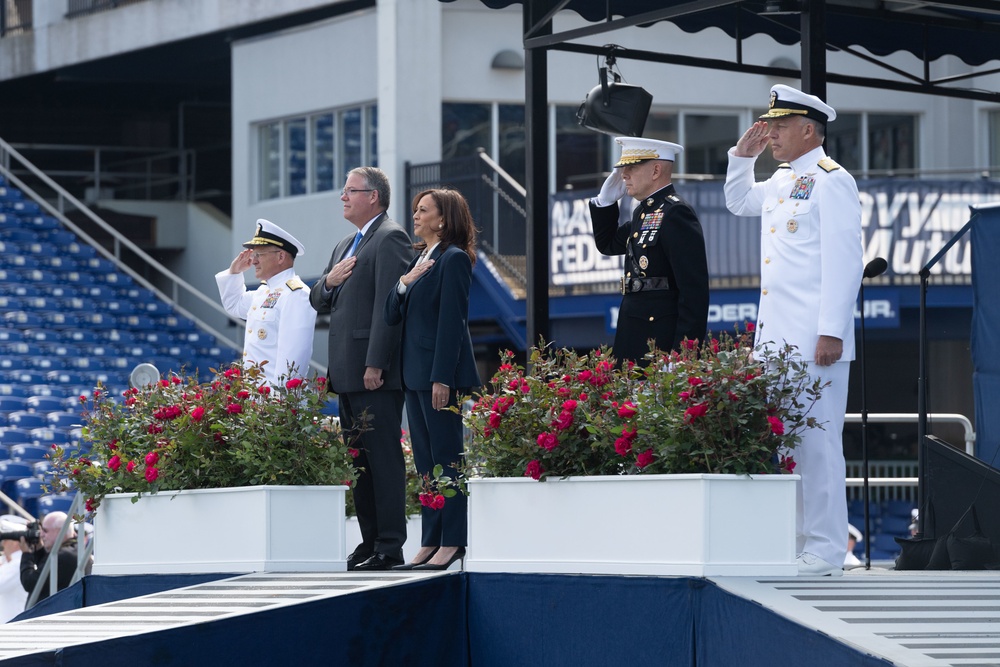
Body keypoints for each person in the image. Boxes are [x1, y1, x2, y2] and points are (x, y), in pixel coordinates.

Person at [724, 84, 863, 577]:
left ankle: (826, 550)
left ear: (809, 130)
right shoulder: (784, 179)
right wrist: (742, 158)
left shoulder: (831, 180)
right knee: (786, 445)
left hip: (814, 342)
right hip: (777, 342)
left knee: (819, 445)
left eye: (780, 127)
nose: (771, 134)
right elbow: (739, 201)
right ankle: (800, 542)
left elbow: (846, 263)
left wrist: (831, 332)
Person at [310, 166, 413, 571]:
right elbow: (319, 299)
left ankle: (390, 545)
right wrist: (330, 282)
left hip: (373, 373)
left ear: (374, 196)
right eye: (343, 190)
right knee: (359, 461)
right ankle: (369, 540)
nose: (343, 197)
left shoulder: (390, 237)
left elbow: (392, 307)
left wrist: (376, 361)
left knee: (383, 459)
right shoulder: (343, 245)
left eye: (351, 190)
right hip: (346, 373)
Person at [383, 188, 482, 571]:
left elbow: (452, 323)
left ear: (443, 219)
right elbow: (393, 312)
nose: (416, 216)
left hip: (438, 376)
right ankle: (431, 538)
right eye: (416, 210)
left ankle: (453, 540)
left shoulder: (453, 259)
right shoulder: (419, 259)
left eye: (423, 210)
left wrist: (443, 376)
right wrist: (406, 281)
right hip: (413, 373)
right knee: (425, 462)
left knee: (446, 458)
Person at [590, 137, 709, 363]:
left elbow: (694, 292)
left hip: (659, 345)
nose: (624, 174)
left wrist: (682, 357)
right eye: (623, 167)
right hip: (633, 336)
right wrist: (604, 202)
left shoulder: (675, 213)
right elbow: (608, 244)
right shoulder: (643, 213)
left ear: (656, 170)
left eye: (631, 167)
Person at [215, 218, 316, 387]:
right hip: (257, 398)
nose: (253, 261)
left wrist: (280, 403)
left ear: (281, 256)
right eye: (253, 255)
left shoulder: (296, 294)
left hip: (275, 402)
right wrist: (234, 273)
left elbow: (294, 357)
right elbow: (234, 305)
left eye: (258, 255)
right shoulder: (264, 291)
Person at [19, 512, 86, 603]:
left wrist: (26, 554)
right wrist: (39, 549)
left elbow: (30, 583)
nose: (41, 535)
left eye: (45, 531)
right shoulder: (72, 550)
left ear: (60, 531)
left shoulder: (63, 556)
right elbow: (46, 574)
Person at [0, 516, 28, 622]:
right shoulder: (9, 561)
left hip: (13, 625)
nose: (3, 543)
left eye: (6, 539)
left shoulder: (19, 563)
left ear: (16, 542)